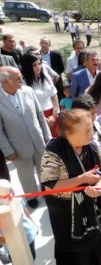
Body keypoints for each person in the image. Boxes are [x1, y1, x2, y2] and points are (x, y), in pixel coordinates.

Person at [40, 109, 101, 265]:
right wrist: (81, 179)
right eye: (86, 130)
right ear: (68, 132)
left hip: (94, 204)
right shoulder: (53, 150)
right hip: (68, 212)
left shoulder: (92, 144)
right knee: (76, 248)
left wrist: (99, 186)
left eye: (91, 128)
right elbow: (49, 185)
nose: (91, 133)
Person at [0, 66, 51, 208]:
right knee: (26, 175)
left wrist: (47, 135)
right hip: (18, 147)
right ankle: (31, 197)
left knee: (45, 169)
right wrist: (8, 151)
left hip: (38, 140)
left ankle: (47, 190)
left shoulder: (28, 91)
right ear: (5, 82)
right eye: (18, 78)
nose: (22, 79)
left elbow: (40, 115)